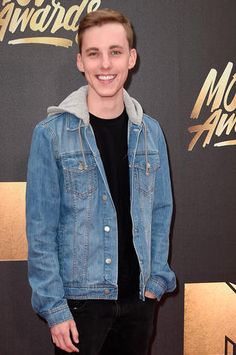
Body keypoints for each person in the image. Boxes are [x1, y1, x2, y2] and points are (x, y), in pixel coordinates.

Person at [26, 8, 176, 355]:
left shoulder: (150, 132)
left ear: (131, 58)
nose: (105, 65)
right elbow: (40, 230)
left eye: (115, 52)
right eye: (94, 53)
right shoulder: (51, 135)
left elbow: (160, 211)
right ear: (80, 61)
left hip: (139, 304)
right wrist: (54, 308)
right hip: (80, 308)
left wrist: (154, 283)